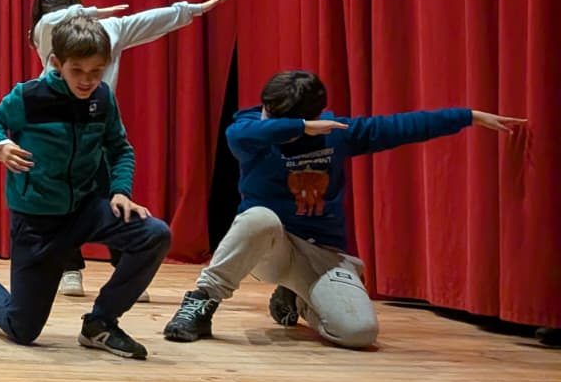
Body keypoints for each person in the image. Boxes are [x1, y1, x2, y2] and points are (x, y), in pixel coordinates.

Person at [162, 69, 525, 349]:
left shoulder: (337, 133)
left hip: (323, 254)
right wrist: (300, 127)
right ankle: (201, 302)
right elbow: (237, 135)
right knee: (258, 217)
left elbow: (402, 127)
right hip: (271, 247)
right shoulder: (249, 129)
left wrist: (467, 116)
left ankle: (299, 299)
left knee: (358, 333)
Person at [0, 15, 172, 360]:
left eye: (96, 71)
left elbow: (120, 149)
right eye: (77, 70)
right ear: (57, 63)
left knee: (155, 234)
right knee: (23, 329)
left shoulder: (103, 98)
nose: (87, 80)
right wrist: (0, 145)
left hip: (86, 209)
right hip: (37, 221)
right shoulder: (29, 96)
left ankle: (100, 322)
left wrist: (120, 191)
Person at [29, 0, 229, 298]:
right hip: (56, 132)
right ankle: (69, 269)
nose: (56, 10)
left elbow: (149, 21)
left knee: (115, 199)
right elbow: (51, 20)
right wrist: (90, 11)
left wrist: (191, 10)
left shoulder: (110, 30)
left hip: (96, 128)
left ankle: (125, 271)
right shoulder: (45, 31)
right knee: (61, 202)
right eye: (48, 4)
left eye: (61, 2)